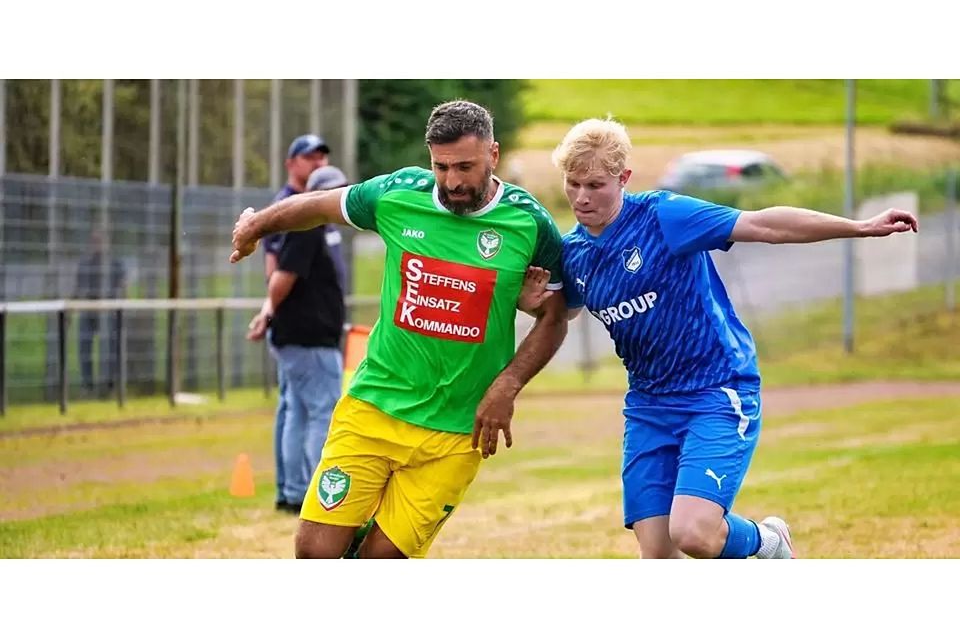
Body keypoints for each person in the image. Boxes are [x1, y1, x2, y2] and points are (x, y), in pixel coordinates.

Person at [532, 117, 919, 559]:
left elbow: (764, 226)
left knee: (694, 533)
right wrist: (534, 301)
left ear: (624, 178)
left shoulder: (663, 216)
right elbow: (565, 311)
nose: (582, 197)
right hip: (648, 405)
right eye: (573, 183)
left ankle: (769, 543)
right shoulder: (575, 253)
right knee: (657, 556)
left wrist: (859, 226)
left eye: (596, 184)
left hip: (715, 390)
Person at [230, 100, 568, 558]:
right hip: (374, 408)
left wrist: (508, 384)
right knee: (314, 556)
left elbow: (557, 315)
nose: (452, 181)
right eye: (441, 166)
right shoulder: (399, 194)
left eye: (465, 166)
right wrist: (255, 225)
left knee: (381, 561)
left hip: (456, 430)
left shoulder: (530, 223)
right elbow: (319, 207)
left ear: (494, 154)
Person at [247, 162, 347, 515]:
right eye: (336, 190)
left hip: (302, 337)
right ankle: (311, 492)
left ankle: (292, 491)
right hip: (309, 338)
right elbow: (283, 276)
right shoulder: (308, 230)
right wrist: (268, 312)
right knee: (322, 413)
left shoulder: (315, 230)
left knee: (298, 412)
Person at [73, 230, 126, 395]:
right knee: (84, 348)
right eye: (94, 241)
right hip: (89, 310)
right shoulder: (85, 264)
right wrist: (71, 307)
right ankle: (87, 386)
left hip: (108, 311)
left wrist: (120, 307)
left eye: (101, 241)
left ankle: (109, 386)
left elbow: (123, 287)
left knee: (110, 349)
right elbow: (78, 289)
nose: (98, 245)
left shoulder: (116, 264)